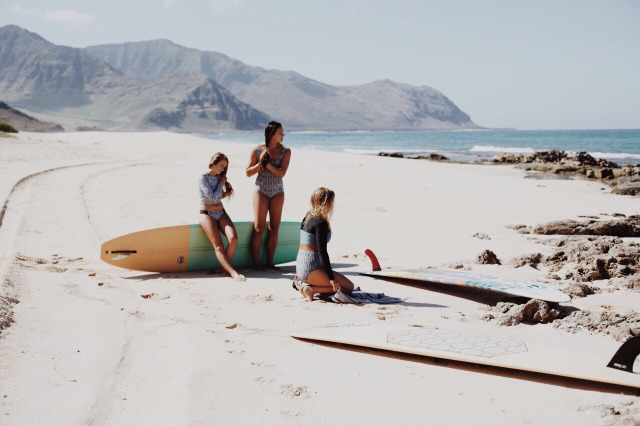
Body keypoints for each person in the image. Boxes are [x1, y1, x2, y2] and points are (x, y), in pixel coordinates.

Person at [245, 121, 291, 269]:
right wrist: (260, 164)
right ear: (272, 135)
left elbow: (281, 173)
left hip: (277, 191)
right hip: (261, 190)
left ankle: (270, 262)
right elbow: (248, 173)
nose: (283, 135)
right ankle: (256, 263)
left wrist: (268, 163)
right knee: (259, 227)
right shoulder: (257, 150)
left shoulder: (286, 151)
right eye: (280, 133)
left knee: (274, 228)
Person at [295, 187, 354, 302]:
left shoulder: (306, 218)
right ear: (326, 203)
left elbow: (305, 246)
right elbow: (322, 253)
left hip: (301, 267)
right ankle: (311, 289)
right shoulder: (320, 223)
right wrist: (331, 278)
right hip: (312, 269)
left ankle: (307, 285)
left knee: (340, 285)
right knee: (348, 287)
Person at [198, 153, 245, 281]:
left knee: (234, 239)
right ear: (212, 164)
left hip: (221, 212)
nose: (223, 169)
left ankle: (225, 269)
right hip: (206, 214)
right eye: (221, 166)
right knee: (218, 246)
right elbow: (211, 197)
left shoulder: (220, 178)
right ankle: (233, 273)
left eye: (225, 167)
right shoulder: (203, 178)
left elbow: (218, 197)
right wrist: (221, 183)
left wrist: (226, 193)